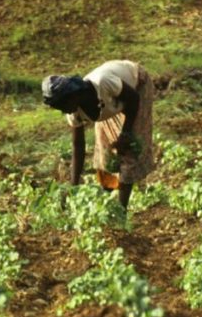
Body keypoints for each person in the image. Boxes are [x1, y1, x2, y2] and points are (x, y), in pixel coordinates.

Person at [42, 60, 156, 208]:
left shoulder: (103, 83)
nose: (64, 111)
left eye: (64, 106)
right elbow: (78, 146)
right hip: (111, 101)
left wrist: (126, 132)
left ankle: (121, 212)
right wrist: (73, 186)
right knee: (105, 154)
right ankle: (106, 200)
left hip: (136, 88)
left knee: (128, 150)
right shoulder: (73, 112)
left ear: (73, 96)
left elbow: (133, 98)